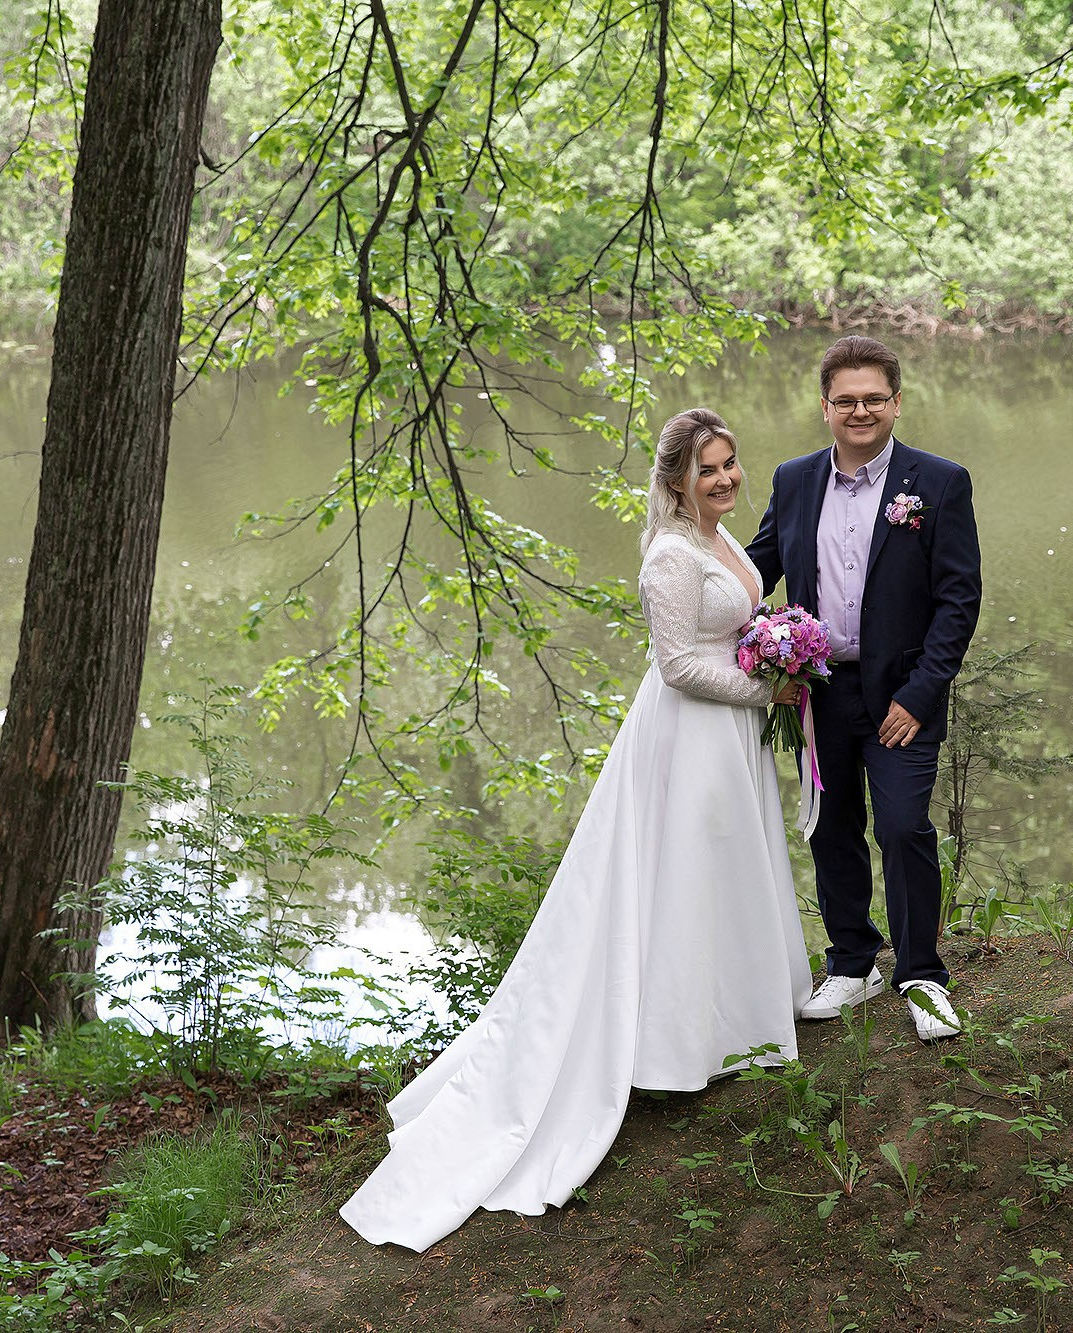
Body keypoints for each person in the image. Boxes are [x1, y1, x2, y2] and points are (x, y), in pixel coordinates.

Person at [340, 408, 812, 1253]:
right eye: (707, 469)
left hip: (727, 736)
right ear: (676, 481)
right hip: (689, 736)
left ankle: (737, 1022)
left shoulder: (721, 541)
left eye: (730, 463)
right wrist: (767, 689)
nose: (725, 479)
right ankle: (674, 1047)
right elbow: (677, 664)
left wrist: (776, 647)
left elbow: (735, 626)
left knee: (725, 872)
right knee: (684, 877)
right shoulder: (670, 556)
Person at [745, 336, 981, 1041]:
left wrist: (922, 692)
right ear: (825, 407)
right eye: (845, 400)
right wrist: (687, 575)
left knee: (904, 826)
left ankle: (921, 976)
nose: (860, 411)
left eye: (874, 398)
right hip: (815, 693)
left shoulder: (938, 482)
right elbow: (754, 571)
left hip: (902, 695)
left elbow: (958, 599)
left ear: (896, 402)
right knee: (832, 826)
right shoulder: (793, 480)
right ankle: (853, 963)